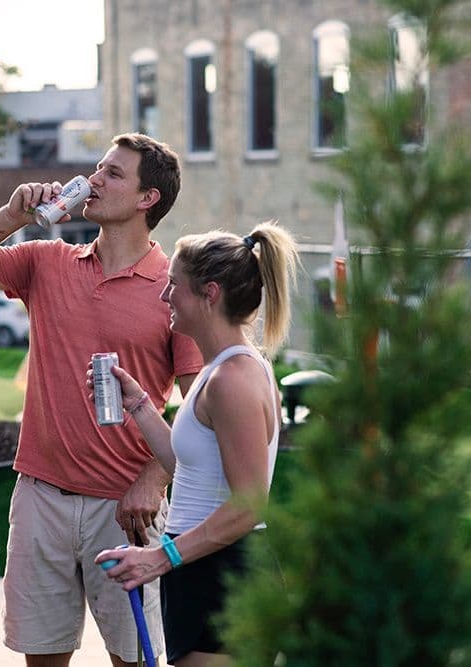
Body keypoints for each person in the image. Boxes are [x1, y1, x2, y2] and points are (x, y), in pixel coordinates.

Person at [0, 133, 203, 666]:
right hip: (40, 498)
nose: (95, 180)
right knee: (43, 659)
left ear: (149, 199)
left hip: (127, 509)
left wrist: (153, 478)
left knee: (137, 659)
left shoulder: (174, 287)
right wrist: (10, 218)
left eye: (113, 174)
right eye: (98, 168)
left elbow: (199, 406)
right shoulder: (47, 262)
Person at [93, 223, 299, 666]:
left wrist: (159, 558)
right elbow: (194, 471)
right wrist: (141, 407)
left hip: (225, 575)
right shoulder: (220, 371)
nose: (165, 298)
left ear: (209, 293)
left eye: (174, 287)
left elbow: (247, 505)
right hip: (201, 568)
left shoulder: (233, 379)